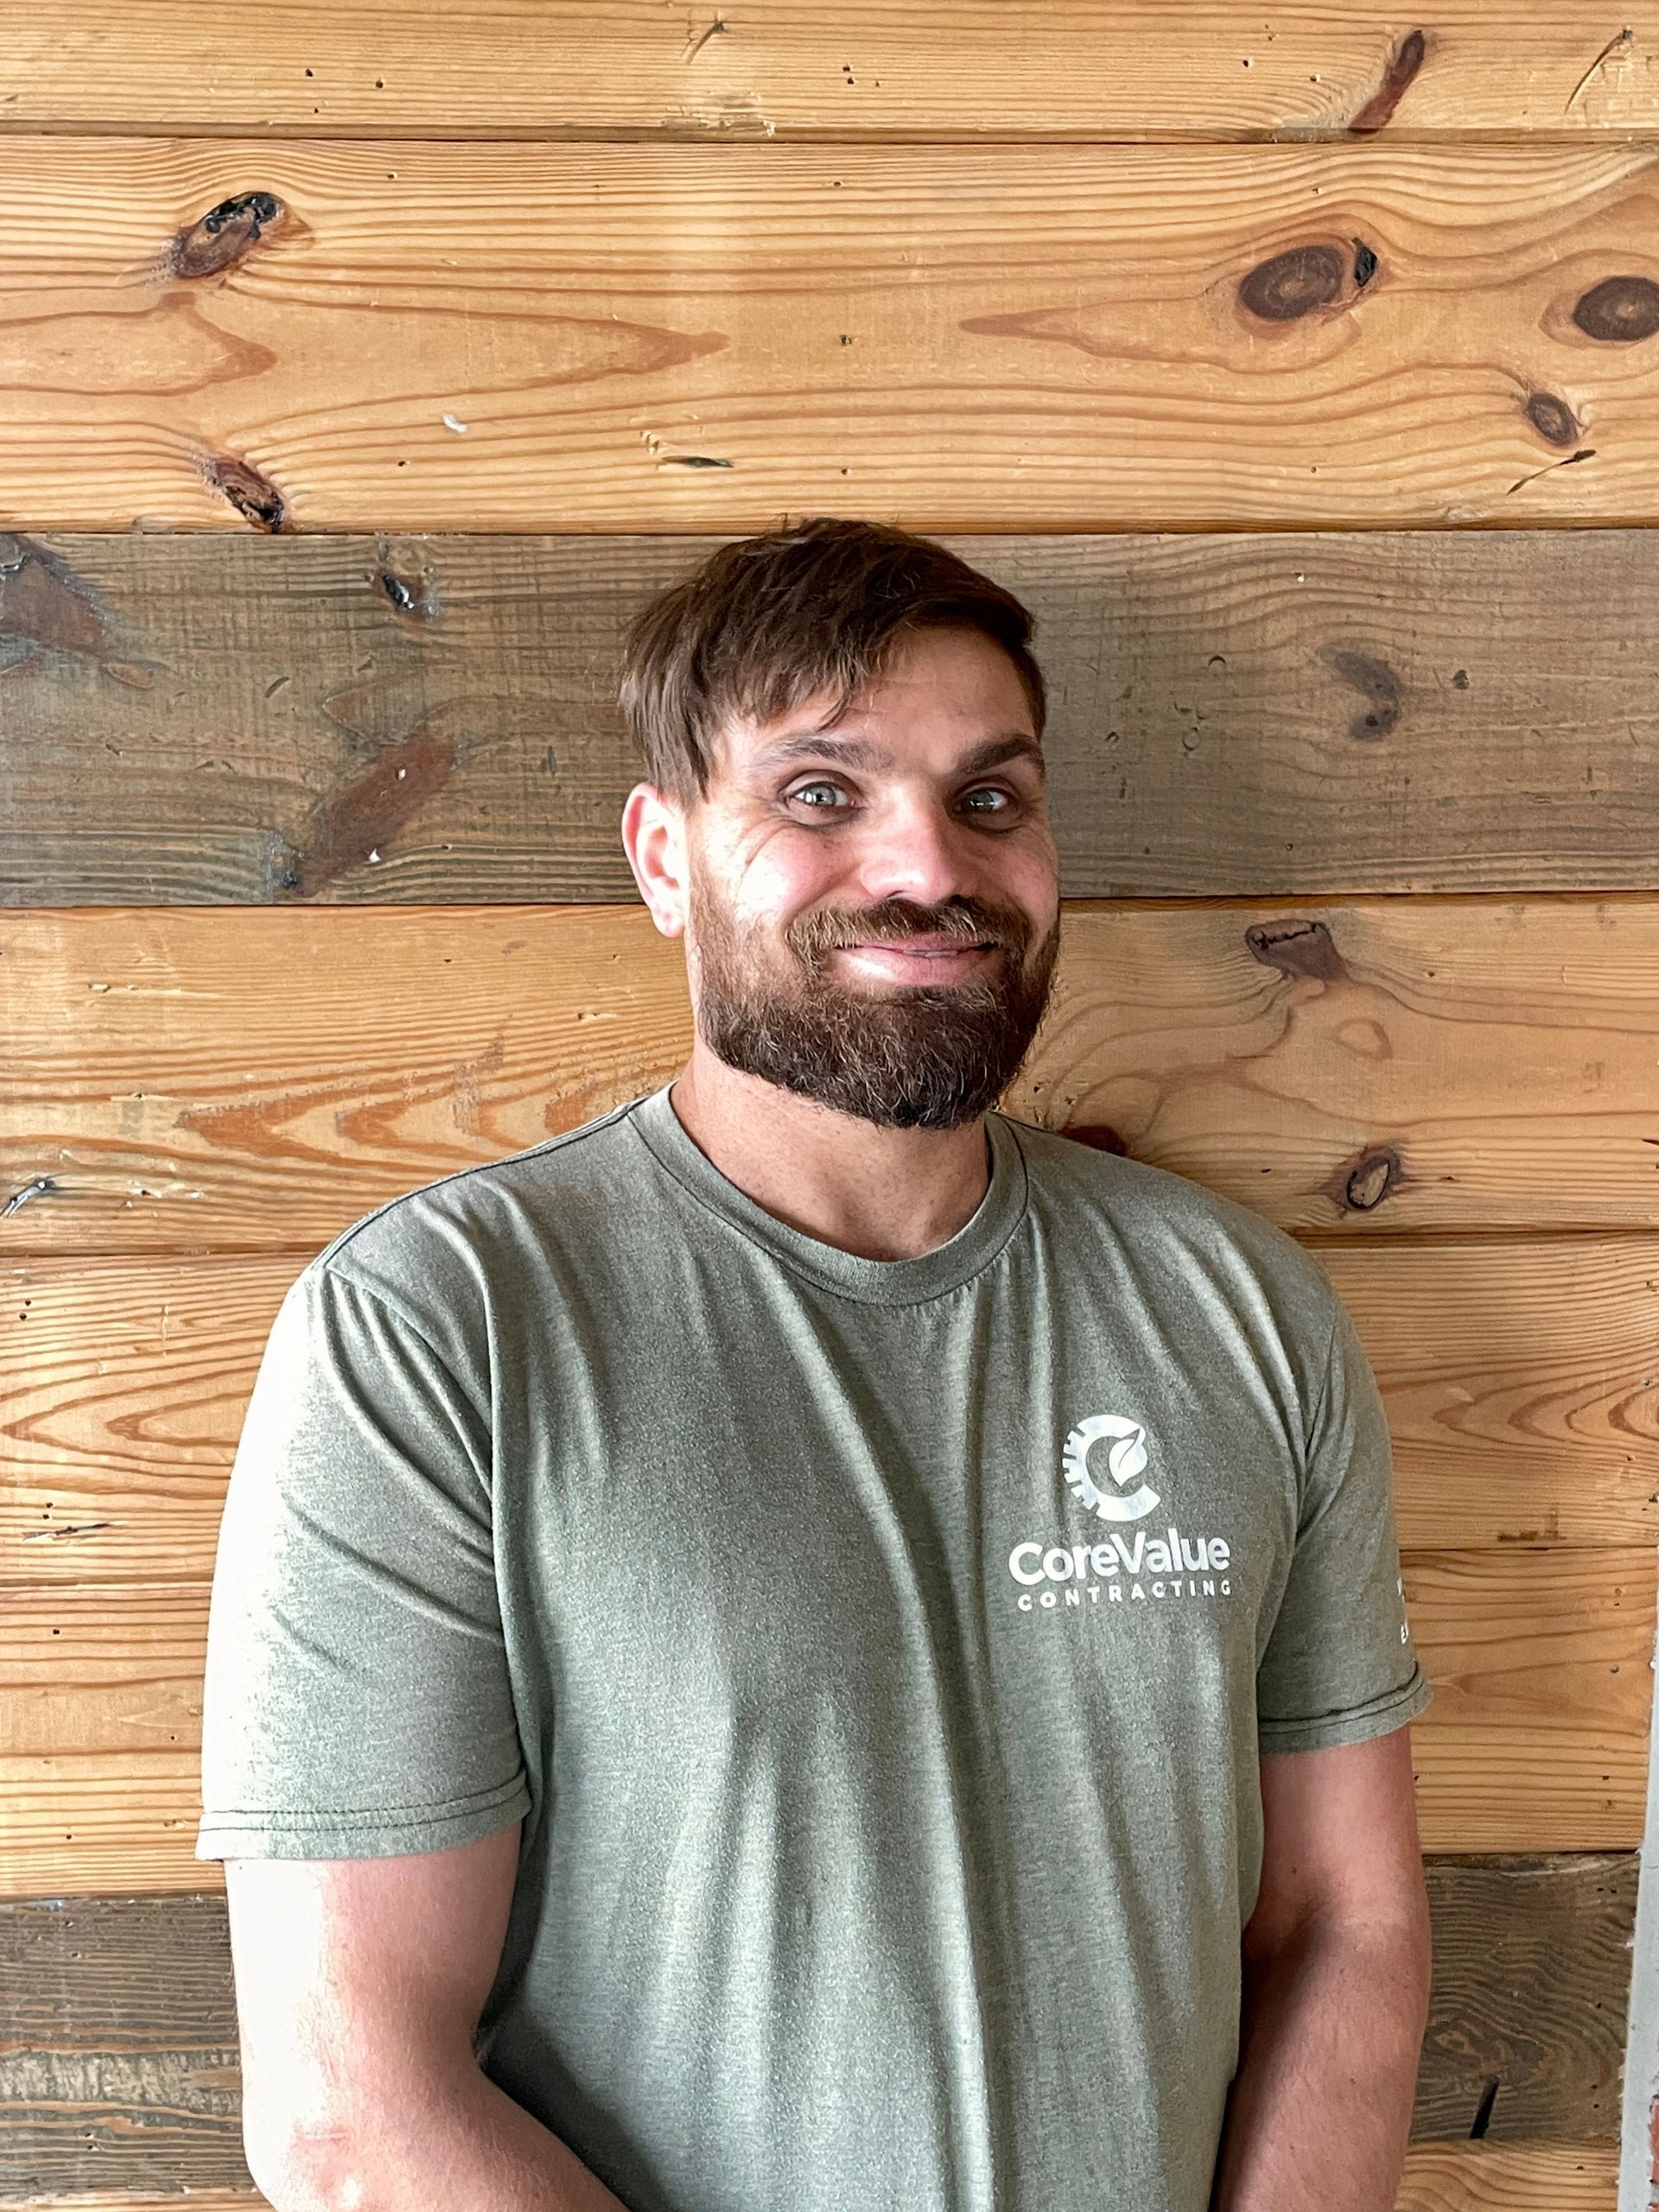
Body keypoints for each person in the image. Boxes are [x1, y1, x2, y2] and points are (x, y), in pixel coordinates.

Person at [196, 514, 1433, 2212]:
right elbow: (350, 2105)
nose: (928, 867)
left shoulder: (1241, 1311)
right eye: (821, 792)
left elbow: (1345, 1925)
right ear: (660, 855)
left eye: (989, 796)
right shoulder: (443, 1327)